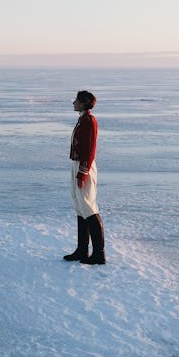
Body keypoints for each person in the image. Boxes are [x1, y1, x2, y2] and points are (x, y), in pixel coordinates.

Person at [63, 89, 106, 265]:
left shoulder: (89, 121)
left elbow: (90, 150)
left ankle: (98, 254)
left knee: (89, 208)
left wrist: (83, 172)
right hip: (77, 164)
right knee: (80, 207)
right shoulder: (82, 119)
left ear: (83, 102)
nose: (73, 102)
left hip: (84, 167)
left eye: (76, 100)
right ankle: (82, 250)